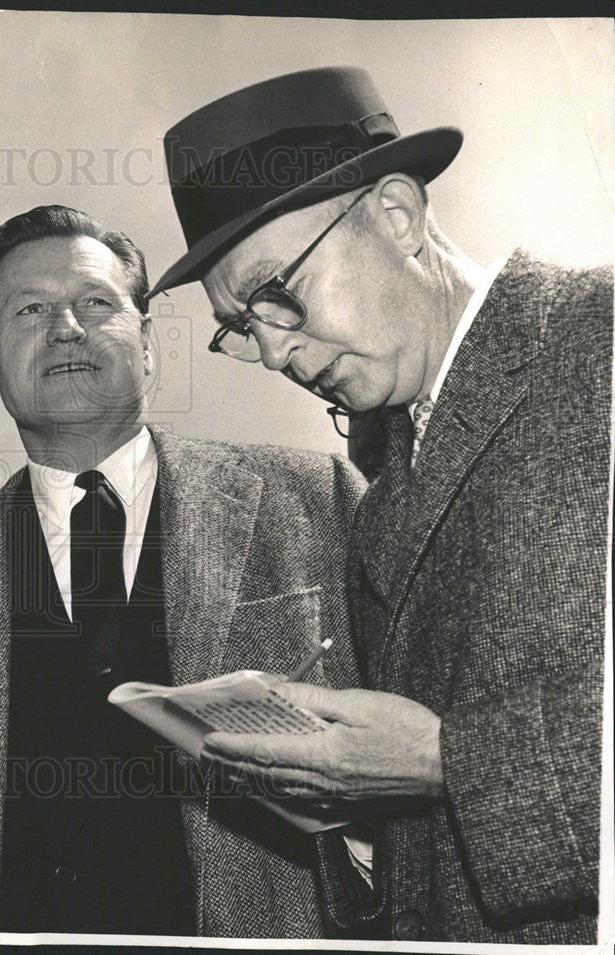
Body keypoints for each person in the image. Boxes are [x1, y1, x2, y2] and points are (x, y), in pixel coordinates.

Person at [148, 67, 610, 943]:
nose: (276, 349)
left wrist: (442, 762)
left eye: (275, 291)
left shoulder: (600, 344)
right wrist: (340, 799)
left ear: (397, 216)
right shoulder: (381, 493)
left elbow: (453, 755)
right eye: (244, 325)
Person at [0, 205, 367, 936]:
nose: (65, 327)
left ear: (150, 343)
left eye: (96, 302)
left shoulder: (321, 502)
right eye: (29, 309)